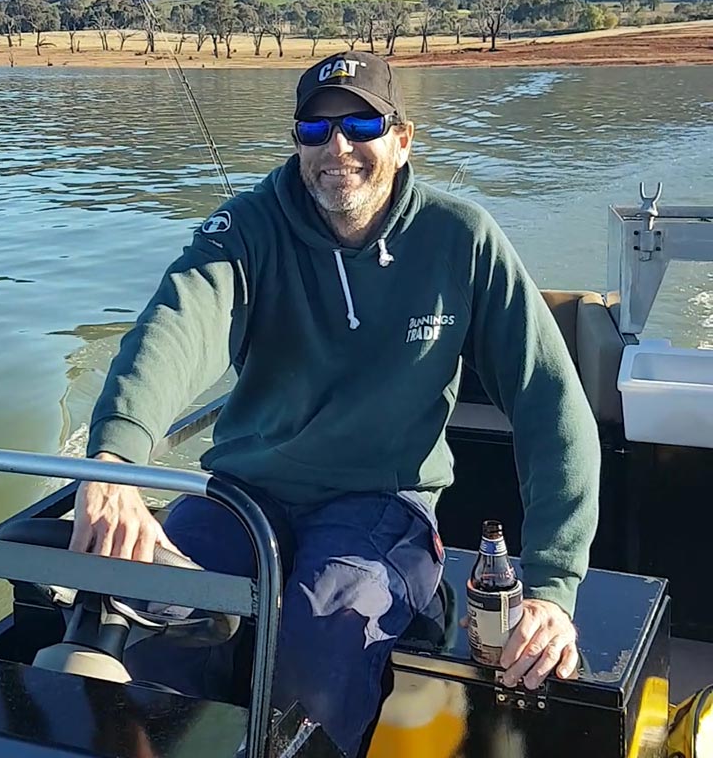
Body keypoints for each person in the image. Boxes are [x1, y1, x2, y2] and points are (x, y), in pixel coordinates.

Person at [72, 52, 600, 756]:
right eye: (314, 130)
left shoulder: (462, 239)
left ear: (402, 138)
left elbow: (550, 405)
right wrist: (114, 462)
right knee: (143, 621)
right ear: (295, 141)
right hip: (242, 493)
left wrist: (552, 588)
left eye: (361, 123)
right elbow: (174, 327)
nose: (338, 148)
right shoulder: (247, 229)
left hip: (381, 504)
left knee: (320, 649)